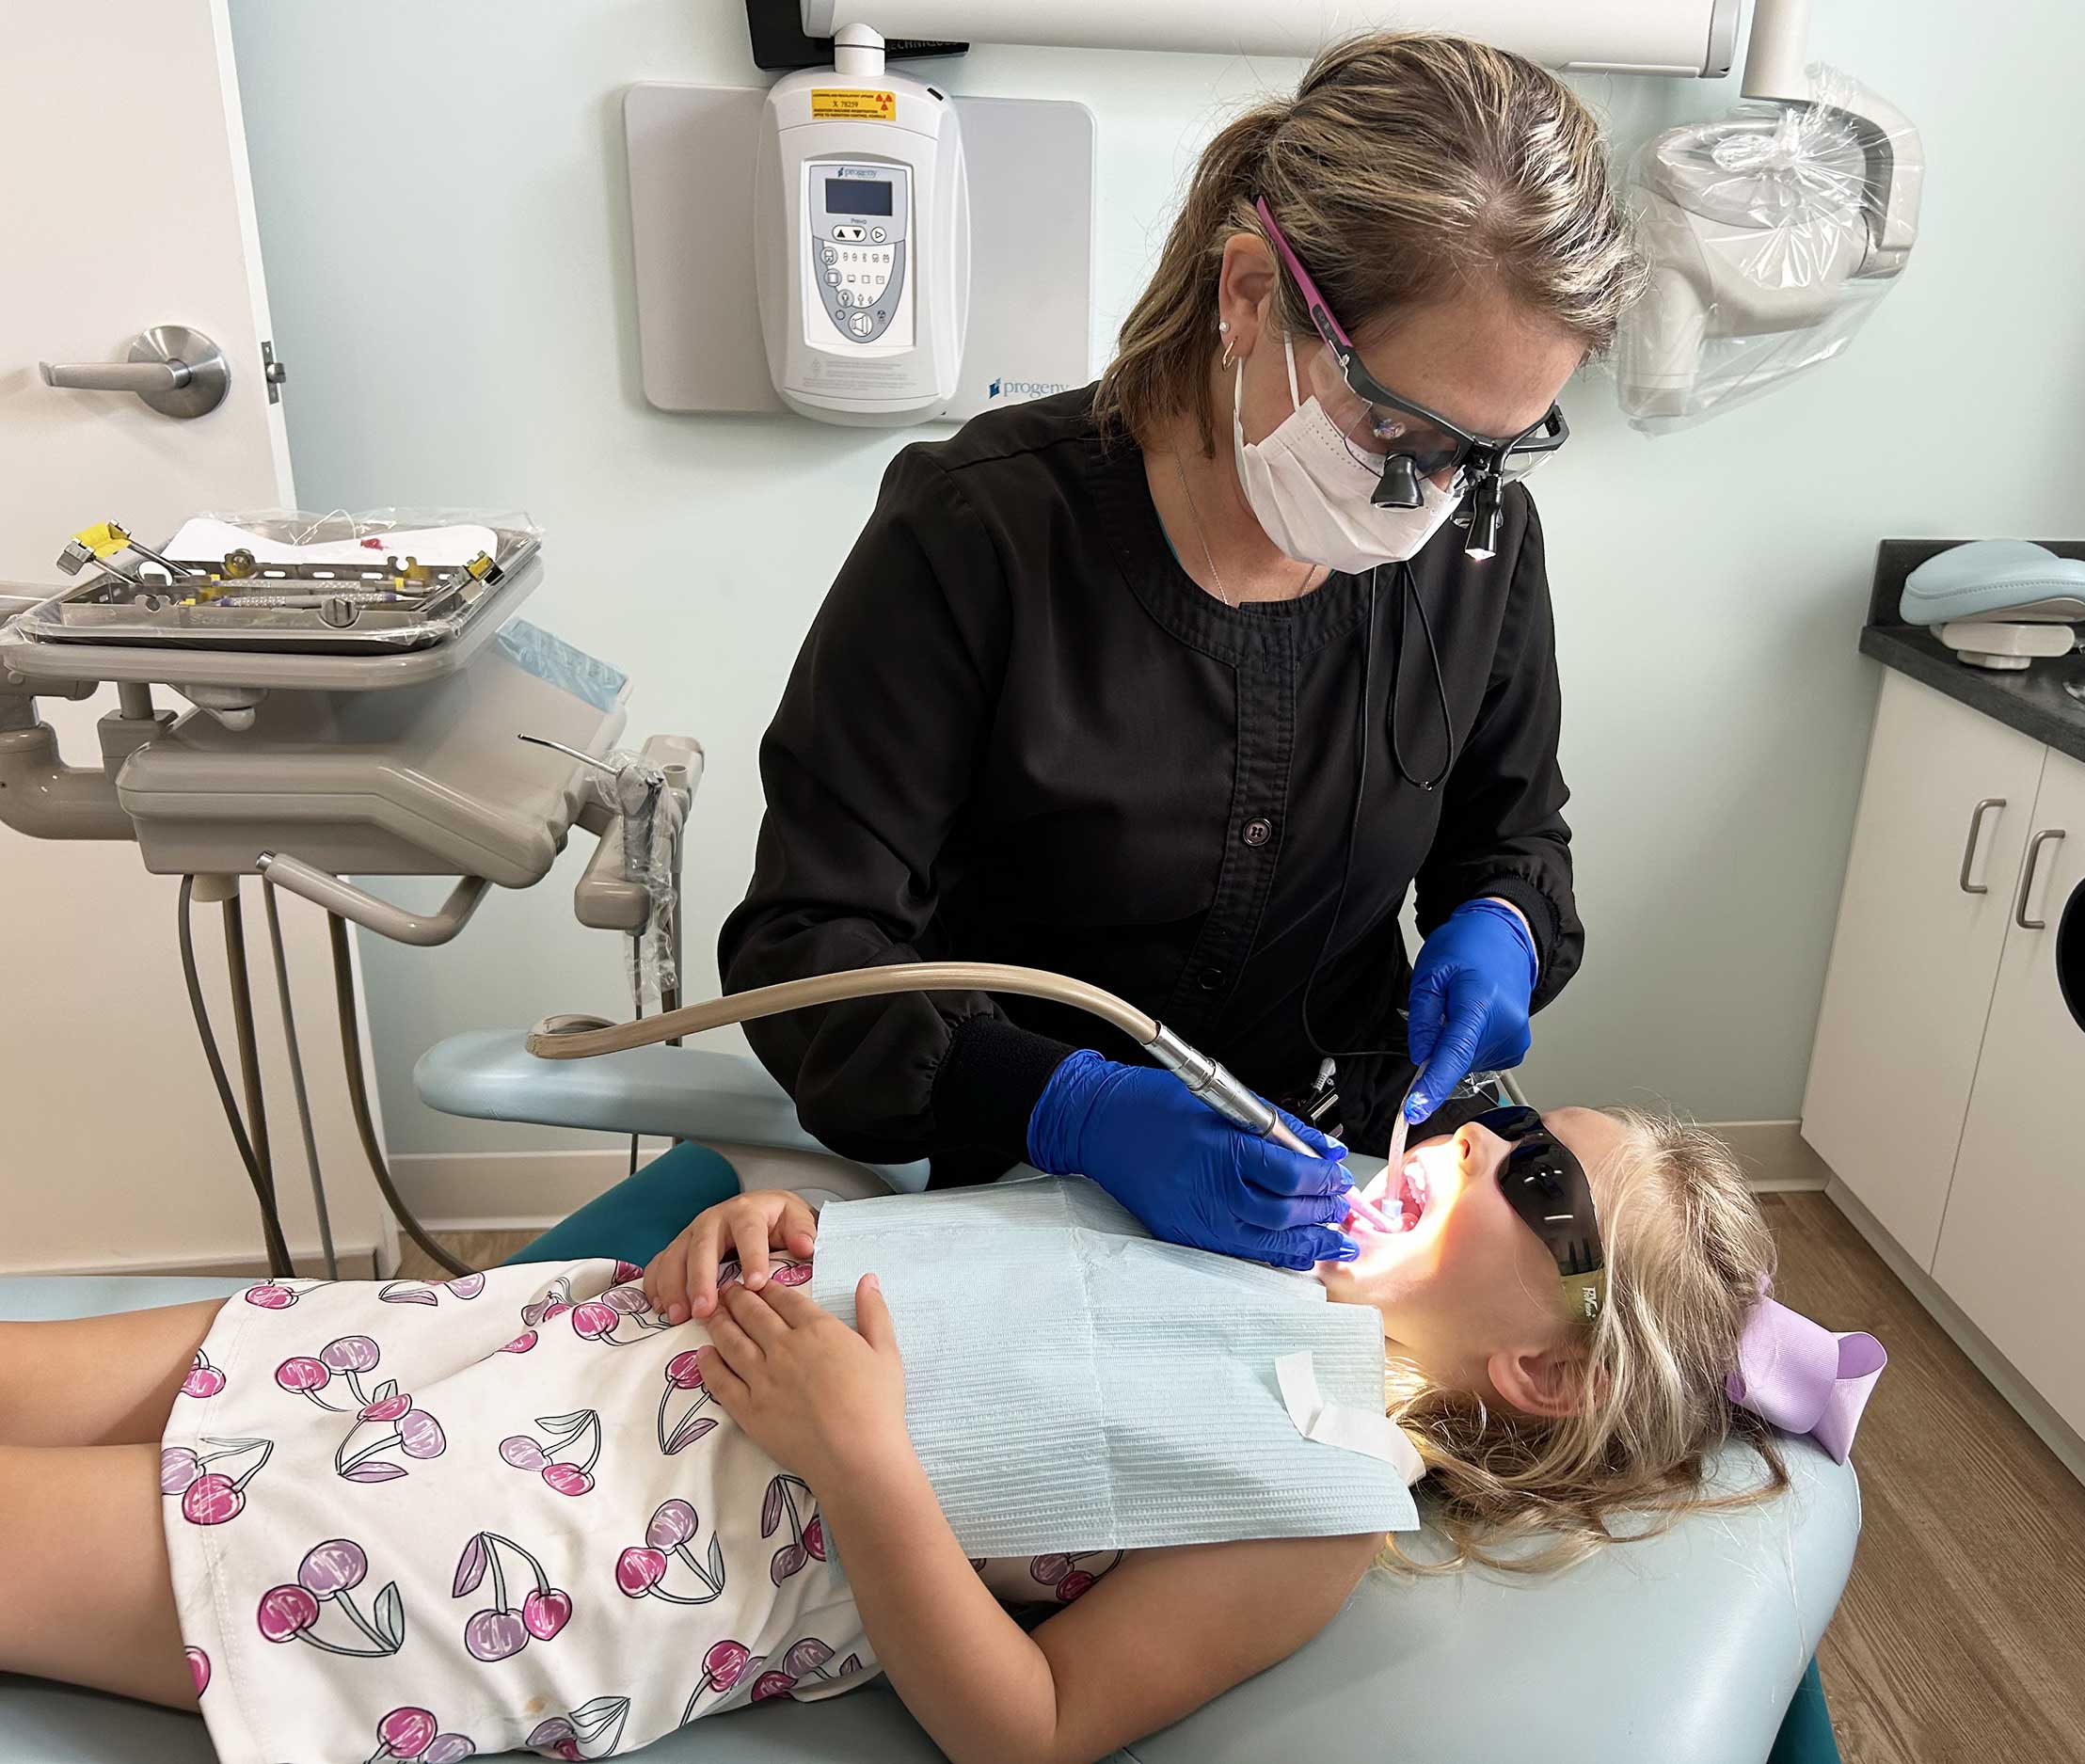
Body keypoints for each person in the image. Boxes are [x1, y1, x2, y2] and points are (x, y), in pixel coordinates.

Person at [0, 1105, 1878, 1764]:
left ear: (1541, 1372)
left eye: (1531, 1177)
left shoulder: (1312, 1490)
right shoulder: (1226, 1221)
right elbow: (940, 1261)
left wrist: (865, 1458)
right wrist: (766, 1231)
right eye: (1504, 1111)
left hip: (566, 1534)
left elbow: (1030, 1725)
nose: (1471, 1137)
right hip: (549, 1334)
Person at [716, 31, 1645, 1268]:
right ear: (1253, 295)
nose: (1433, 500)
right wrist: (1071, 1107)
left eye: (1491, 450)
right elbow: (805, 948)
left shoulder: (1479, 545)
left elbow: (1511, 837)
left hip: (1333, 1179)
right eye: (1396, 427)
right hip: (1021, 1182)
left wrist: (1503, 926)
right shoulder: (979, 534)